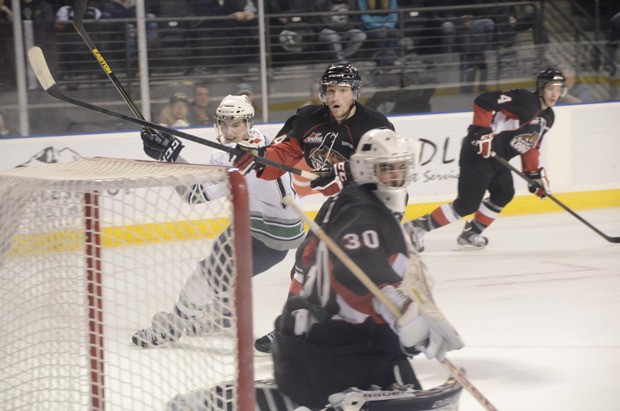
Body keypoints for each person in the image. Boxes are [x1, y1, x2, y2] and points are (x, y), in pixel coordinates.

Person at [272, 128, 464, 409]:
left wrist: (419, 312)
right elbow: (358, 267)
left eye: (401, 168)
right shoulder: (361, 210)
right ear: (366, 170)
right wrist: (400, 307)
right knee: (393, 343)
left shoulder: (368, 206)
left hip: (328, 340)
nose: (396, 177)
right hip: (324, 349)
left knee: (398, 347)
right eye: (387, 169)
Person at [232, 62, 395, 353]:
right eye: (331, 90)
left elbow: (385, 171)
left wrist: (343, 172)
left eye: (342, 90)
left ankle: (386, 329)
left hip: (375, 206)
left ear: (354, 93)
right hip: (341, 204)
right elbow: (280, 156)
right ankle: (291, 324)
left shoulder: (375, 125)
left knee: (365, 270)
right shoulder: (308, 119)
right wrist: (258, 156)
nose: (335, 97)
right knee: (306, 259)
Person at [132, 95, 305, 348]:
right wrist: (172, 157)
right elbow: (200, 186)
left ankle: (171, 328)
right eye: (224, 124)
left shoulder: (248, 158)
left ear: (248, 123)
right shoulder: (239, 147)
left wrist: (171, 159)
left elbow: (195, 195)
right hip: (248, 223)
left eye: (236, 124)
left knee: (206, 276)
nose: (229, 131)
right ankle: (222, 316)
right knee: (218, 255)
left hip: (272, 239)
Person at [406, 67, 567, 252]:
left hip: (499, 159)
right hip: (478, 155)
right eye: (550, 88)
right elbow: (483, 101)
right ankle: (416, 227)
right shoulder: (525, 100)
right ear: (541, 88)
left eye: (558, 88)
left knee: (503, 193)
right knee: (467, 204)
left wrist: (533, 175)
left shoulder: (548, 117)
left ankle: (470, 233)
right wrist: (481, 132)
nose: (554, 93)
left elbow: (532, 145)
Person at [357, 0, 399, 67]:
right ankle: (380, 60)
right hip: (371, 27)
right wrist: (379, 26)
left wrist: (387, 26)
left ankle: (390, 59)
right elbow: (364, 17)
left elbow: (393, 15)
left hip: (387, 26)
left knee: (394, 32)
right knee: (381, 34)